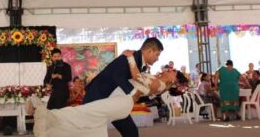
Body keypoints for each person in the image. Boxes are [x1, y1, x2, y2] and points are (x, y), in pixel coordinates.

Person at [27, 49, 176, 137]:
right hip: (119, 101)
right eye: (157, 54)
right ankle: (51, 122)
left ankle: (50, 117)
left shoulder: (159, 84)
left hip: (122, 102)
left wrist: (130, 57)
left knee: (88, 114)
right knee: (92, 121)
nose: (170, 71)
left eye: (173, 74)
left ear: (171, 82)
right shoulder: (154, 77)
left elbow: (136, 77)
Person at [82, 37, 163, 137]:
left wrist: (150, 94)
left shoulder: (138, 62)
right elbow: (117, 76)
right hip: (96, 98)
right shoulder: (129, 57)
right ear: (150, 51)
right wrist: (134, 92)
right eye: (157, 55)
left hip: (114, 101)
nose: (157, 59)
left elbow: (138, 86)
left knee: (131, 132)